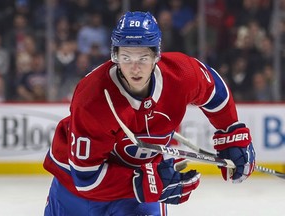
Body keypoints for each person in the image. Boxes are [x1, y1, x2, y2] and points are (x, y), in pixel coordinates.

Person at [43, 11, 255, 216]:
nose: (135, 68)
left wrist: (230, 130)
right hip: (74, 188)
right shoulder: (93, 98)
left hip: (138, 188)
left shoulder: (181, 73)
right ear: (115, 55)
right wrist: (147, 183)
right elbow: (86, 179)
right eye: (126, 57)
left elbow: (213, 90)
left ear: (156, 55)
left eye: (143, 57)